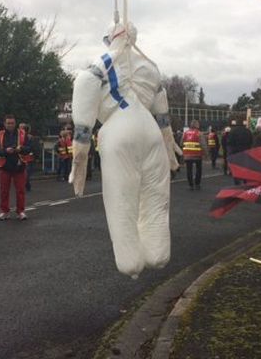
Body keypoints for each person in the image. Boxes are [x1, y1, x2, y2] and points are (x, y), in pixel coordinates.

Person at [69, 22, 179, 278]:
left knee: (122, 198)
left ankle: (129, 261)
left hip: (119, 128)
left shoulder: (102, 63)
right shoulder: (151, 67)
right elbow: (162, 114)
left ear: (110, 38)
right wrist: (168, 145)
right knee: (155, 196)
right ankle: (157, 252)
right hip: (150, 131)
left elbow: (85, 84)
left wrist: (80, 148)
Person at [0, 114, 31, 221]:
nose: (10, 125)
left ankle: (21, 211)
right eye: (8, 123)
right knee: (4, 190)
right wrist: (5, 151)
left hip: (19, 166)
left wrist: (21, 149)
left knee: (20, 190)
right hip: (5, 166)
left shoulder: (23, 134)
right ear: (4, 124)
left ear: (15, 123)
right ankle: (4, 212)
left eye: (12, 123)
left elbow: (29, 148)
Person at [182, 120, 207, 190]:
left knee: (189, 170)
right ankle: (197, 183)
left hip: (187, 155)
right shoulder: (199, 133)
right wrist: (206, 154)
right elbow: (203, 145)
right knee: (198, 169)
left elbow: (181, 143)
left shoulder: (185, 133)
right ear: (197, 125)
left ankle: (190, 184)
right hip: (197, 155)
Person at [227, 119, 253, 184]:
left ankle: (236, 181)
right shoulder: (248, 131)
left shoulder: (233, 131)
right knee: (244, 167)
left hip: (235, 152)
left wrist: (230, 153)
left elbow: (230, 143)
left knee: (236, 167)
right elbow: (251, 141)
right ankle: (245, 180)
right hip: (246, 152)